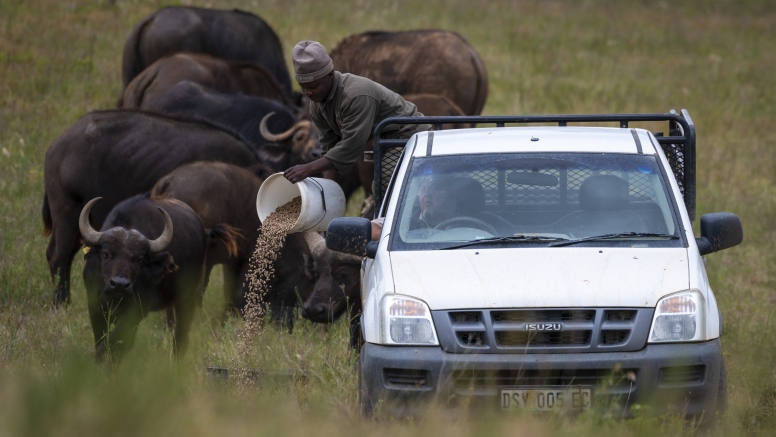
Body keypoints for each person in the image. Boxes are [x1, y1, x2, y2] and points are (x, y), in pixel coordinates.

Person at [283, 40, 429, 184]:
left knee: (387, 182)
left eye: (313, 86)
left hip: (410, 136)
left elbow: (351, 146)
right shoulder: (317, 103)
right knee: (380, 188)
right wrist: (327, 190)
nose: (308, 93)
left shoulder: (356, 94)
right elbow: (330, 149)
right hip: (383, 141)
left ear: (330, 76)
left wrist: (308, 168)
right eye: (303, 88)